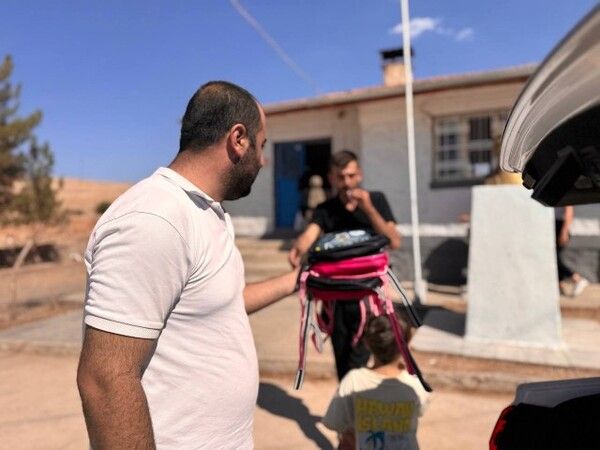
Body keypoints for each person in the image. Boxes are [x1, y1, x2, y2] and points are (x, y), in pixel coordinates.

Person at [76, 81, 299, 449]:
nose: (263, 161)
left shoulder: (206, 212)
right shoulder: (155, 218)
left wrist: (297, 280)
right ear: (238, 139)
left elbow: (224, 304)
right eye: (262, 146)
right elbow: (105, 379)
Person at [288, 150, 401, 380]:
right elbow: (309, 236)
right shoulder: (325, 209)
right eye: (341, 177)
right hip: (337, 298)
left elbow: (394, 241)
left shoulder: (376, 200)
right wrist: (298, 248)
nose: (347, 182)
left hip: (370, 296)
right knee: (343, 361)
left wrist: (368, 208)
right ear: (332, 178)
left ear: (360, 175)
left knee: (367, 359)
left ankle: (358, 397)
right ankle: (349, 397)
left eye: (351, 175)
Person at [322, 310, 430, 450]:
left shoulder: (353, 380)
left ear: (367, 343)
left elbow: (333, 423)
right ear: (407, 345)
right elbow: (420, 410)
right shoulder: (416, 383)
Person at [555, 205, 589, 296]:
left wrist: (564, 231)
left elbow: (569, 213)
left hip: (560, 226)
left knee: (554, 258)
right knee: (555, 257)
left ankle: (576, 278)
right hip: (556, 224)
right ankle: (559, 285)